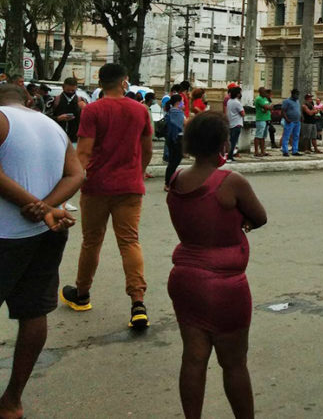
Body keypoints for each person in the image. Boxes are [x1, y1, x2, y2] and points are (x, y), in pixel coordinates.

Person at [166, 111, 267, 419]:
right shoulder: (230, 181)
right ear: (224, 143)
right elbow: (260, 217)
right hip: (224, 284)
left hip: (185, 277)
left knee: (193, 358)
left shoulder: (177, 178)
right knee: (234, 362)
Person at [0, 84, 82, 419]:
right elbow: (78, 173)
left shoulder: (2, 118)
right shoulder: (53, 127)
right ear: (30, 101)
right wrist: (47, 207)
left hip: (6, 235)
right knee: (34, 313)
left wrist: (33, 205)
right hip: (46, 231)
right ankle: (12, 401)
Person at [60, 63, 154, 329]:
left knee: (91, 241)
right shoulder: (140, 110)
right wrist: (138, 173)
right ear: (125, 82)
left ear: (100, 83)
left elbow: (84, 153)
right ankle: (138, 304)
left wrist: (73, 182)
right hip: (130, 188)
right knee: (129, 242)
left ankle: (81, 294)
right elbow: (146, 150)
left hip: (97, 187)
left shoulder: (92, 110)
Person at [51, 77, 87, 143]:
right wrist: (58, 118)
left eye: (73, 91)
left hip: (76, 138)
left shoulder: (82, 101)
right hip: (57, 136)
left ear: (76, 88)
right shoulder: (54, 100)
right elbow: (45, 117)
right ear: (63, 87)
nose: (70, 92)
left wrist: (85, 110)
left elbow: (89, 120)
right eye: (68, 90)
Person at [164, 94, 186, 190]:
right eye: (182, 101)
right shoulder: (177, 112)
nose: (183, 103)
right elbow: (184, 123)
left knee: (173, 161)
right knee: (174, 161)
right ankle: (168, 183)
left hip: (171, 138)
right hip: (176, 139)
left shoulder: (171, 111)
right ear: (178, 102)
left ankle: (169, 182)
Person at [225, 86, 245, 162]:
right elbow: (242, 113)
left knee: (230, 140)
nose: (240, 94)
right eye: (240, 93)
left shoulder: (229, 101)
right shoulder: (237, 103)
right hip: (237, 123)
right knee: (233, 141)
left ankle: (228, 155)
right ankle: (230, 156)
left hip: (231, 123)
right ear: (237, 94)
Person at [280, 89, 301, 157]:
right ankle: (285, 151)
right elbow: (283, 111)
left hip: (297, 121)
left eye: (298, 94)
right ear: (292, 94)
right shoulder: (287, 101)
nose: (297, 96)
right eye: (296, 94)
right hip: (290, 121)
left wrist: (301, 117)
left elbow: (298, 110)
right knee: (286, 136)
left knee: (296, 136)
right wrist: (286, 119)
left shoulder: (297, 101)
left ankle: (295, 150)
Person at [252, 87, 272, 158]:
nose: (266, 93)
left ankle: (263, 151)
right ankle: (256, 151)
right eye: (264, 92)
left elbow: (270, 107)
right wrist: (268, 107)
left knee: (263, 136)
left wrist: (268, 107)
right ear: (260, 92)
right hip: (261, 119)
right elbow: (267, 107)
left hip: (266, 118)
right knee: (258, 135)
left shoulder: (265, 99)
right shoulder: (259, 99)